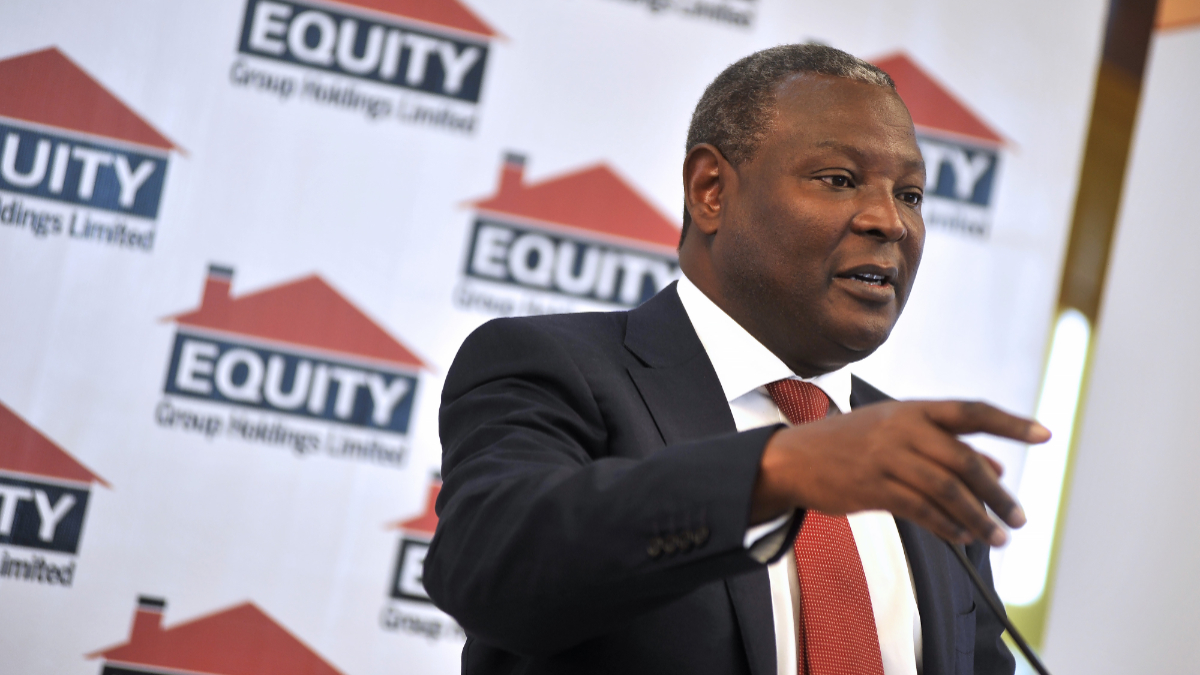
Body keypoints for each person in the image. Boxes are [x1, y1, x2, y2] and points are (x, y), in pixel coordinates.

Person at [424, 44, 1048, 675]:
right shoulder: (555, 368)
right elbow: (491, 572)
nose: (890, 221)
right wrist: (776, 471)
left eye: (910, 194)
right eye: (839, 180)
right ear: (711, 190)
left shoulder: (913, 458)